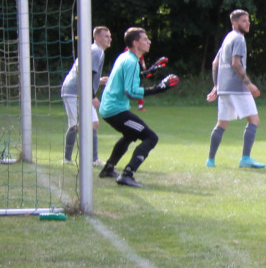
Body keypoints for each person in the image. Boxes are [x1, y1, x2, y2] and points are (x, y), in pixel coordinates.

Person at [98, 27, 179, 187]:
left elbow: (128, 78)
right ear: (135, 43)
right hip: (116, 110)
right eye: (145, 39)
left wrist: (149, 72)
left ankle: (108, 169)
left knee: (130, 135)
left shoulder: (125, 57)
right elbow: (131, 92)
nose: (148, 41)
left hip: (109, 108)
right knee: (151, 137)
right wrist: (159, 88)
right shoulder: (131, 62)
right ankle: (127, 174)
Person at [206, 9, 264, 168]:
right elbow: (236, 63)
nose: (248, 23)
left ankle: (210, 160)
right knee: (254, 120)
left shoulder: (227, 38)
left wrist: (217, 86)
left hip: (224, 89)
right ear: (235, 23)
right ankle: (245, 159)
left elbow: (215, 63)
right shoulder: (238, 39)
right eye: (244, 21)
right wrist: (249, 84)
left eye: (248, 20)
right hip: (238, 88)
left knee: (221, 124)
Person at [60, 25, 111, 166]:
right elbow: (87, 73)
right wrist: (92, 96)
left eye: (110, 36)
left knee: (93, 123)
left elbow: (86, 73)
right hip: (73, 91)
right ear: (97, 37)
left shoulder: (95, 50)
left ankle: (93, 159)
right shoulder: (96, 51)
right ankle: (68, 159)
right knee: (76, 125)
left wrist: (98, 82)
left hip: (81, 91)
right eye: (106, 36)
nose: (109, 39)